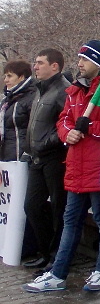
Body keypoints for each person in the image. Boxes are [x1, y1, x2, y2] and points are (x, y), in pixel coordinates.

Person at [22, 39, 100, 293]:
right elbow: (64, 120)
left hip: (98, 168)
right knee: (70, 220)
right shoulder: (74, 91)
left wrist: (90, 129)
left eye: (85, 59)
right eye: (79, 59)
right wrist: (68, 134)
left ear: (98, 63)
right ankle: (58, 272)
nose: (79, 63)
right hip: (76, 166)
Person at [22, 49, 71, 272]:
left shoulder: (62, 90)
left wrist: (46, 141)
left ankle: (55, 256)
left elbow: (66, 125)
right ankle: (44, 252)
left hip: (54, 158)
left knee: (58, 208)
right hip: (36, 158)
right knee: (32, 206)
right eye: (35, 62)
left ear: (55, 66)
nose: (35, 66)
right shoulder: (40, 90)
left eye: (40, 63)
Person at [0, 60, 38, 259]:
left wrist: (25, 153)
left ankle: (25, 247)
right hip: (7, 157)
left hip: (20, 157)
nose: (5, 80)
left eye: (10, 76)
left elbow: (30, 128)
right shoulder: (8, 99)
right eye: (5, 75)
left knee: (23, 203)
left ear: (22, 77)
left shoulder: (29, 98)